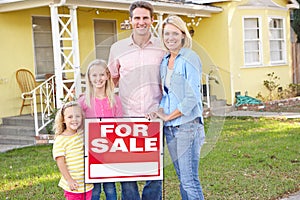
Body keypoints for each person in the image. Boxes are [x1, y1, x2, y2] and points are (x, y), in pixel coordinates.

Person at [108, 1, 165, 200]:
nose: (141, 22)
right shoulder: (117, 48)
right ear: (130, 21)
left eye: (145, 18)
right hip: (126, 118)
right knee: (127, 171)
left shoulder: (163, 47)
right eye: (137, 18)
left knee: (154, 172)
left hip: (154, 116)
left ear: (152, 20)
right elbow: (111, 80)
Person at [154, 15, 206, 200]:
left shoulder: (190, 58)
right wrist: (158, 112)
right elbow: (167, 96)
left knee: (189, 180)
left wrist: (169, 116)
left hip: (187, 125)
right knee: (182, 178)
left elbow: (192, 96)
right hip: (170, 128)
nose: (170, 38)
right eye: (167, 33)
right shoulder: (165, 61)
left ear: (183, 35)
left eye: (175, 33)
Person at [78, 59, 122, 200]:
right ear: (89, 78)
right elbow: (77, 126)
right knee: (94, 189)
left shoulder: (115, 100)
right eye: (94, 75)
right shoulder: (83, 101)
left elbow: (120, 125)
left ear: (108, 76)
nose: (98, 79)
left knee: (110, 188)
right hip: (90, 152)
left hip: (110, 151)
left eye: (102, 75)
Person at [52, 101, 94, 200]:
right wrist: (69, 180)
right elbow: (60, 162)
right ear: (63, 120)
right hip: (72, 184)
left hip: (86, 183)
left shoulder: (84, 134)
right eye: (70, 117)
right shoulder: (61, 139)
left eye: (77, 116)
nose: (74, 119)